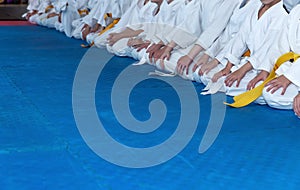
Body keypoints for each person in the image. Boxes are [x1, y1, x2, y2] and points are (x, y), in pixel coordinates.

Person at [199, 0, 288, 96]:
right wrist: (228, 67)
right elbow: (241, 37)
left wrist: (242, 70)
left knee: (230, 84)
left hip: (266, 66)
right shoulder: (256, 9)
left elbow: (267, 49)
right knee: (208, 77)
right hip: (250, 62)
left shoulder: (282, 14)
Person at [151, 0, 240, 80]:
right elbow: (189, 24)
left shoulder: (231, 2)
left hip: (218, 49)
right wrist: (168, 48)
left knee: (200, 72)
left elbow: (214, 30)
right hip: (201, 45)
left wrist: (191, 56)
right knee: (165, 59)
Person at [260, 5, 300, 117]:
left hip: (296, 72)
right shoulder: (297, 10)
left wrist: (289, 77)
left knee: (270, 94)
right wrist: (266, 69)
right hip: (293, 67)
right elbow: (280, 46)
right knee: (269, 91)